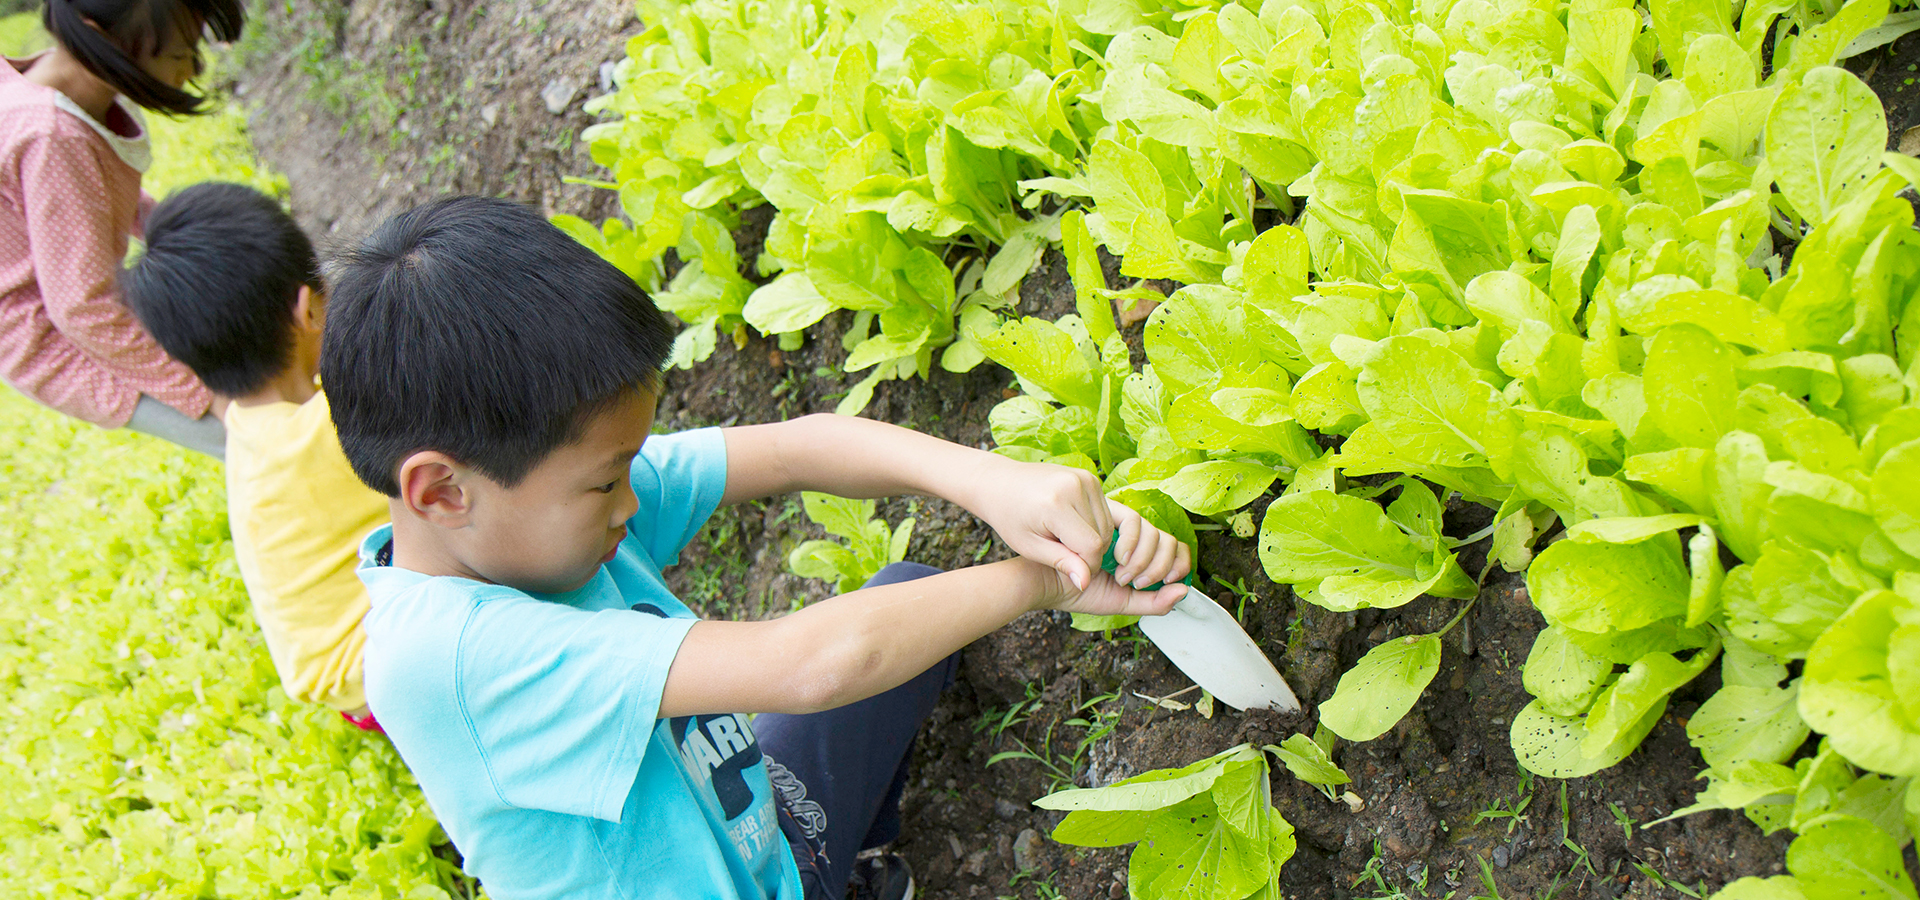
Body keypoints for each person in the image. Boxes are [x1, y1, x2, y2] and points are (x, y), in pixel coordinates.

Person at [320, 196, 1193, 900]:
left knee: (913, 597)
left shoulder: (522, 511)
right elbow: (813, 664)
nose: (632, 498)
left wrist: (992, 481)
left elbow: (796, 447)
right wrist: (1041, 580)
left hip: (762, 841)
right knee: (883, 639)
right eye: (605, 482)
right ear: (440, 490)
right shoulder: (455, 661)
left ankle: (853, 866)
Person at [121, 182, 385, 729]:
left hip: (342, 677)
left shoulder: (247, 428)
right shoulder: (328, 426)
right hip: (381, 671)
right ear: (308, 308)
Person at [0, 0, 245, 458]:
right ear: (101, 38)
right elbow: (82, 309)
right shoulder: (52, 135)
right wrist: (203, 394)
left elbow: (98, 199)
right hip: (57, 339)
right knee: (251, 441)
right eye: (179, 55)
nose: (191, 70)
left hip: (87, 304)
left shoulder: (47, 91)